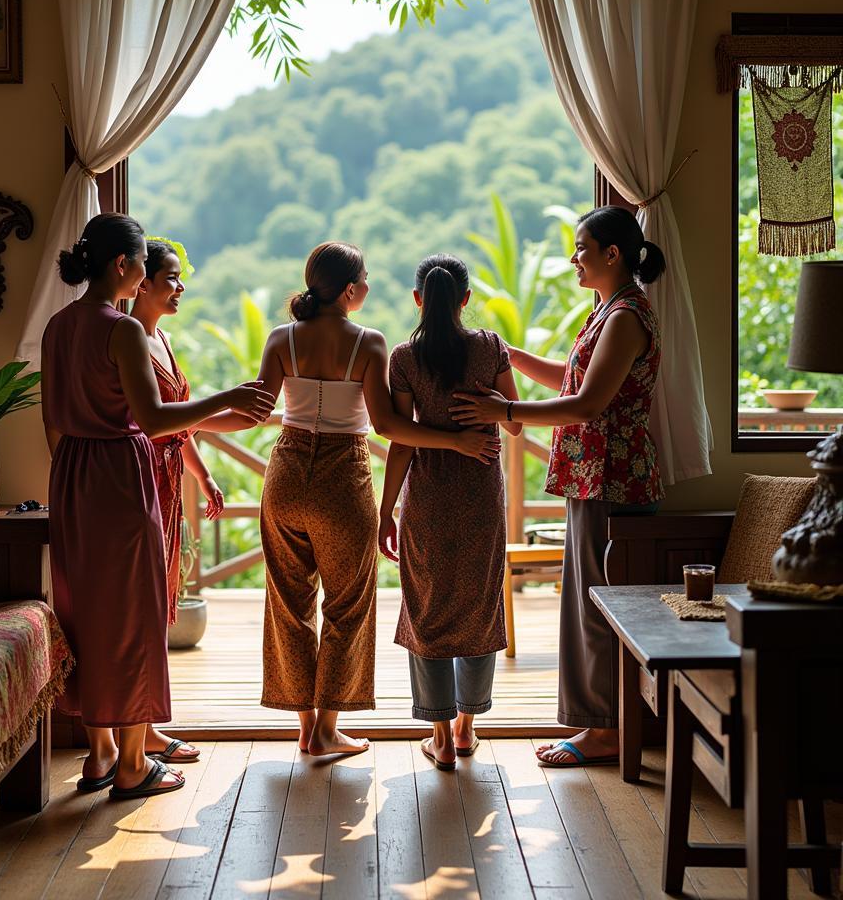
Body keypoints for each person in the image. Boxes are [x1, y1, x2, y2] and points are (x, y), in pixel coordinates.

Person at [41, 213, 274, 798]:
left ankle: (99, 755)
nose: (147, 275)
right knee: (136, 616)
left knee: (87, 612)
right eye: (144, 263)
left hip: (70, 473)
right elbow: (152, 419)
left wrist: (77, 461)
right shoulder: (121, 330)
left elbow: (50, 420)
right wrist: (228, 397)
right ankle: (133, 765)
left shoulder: (57, 325)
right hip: (120, 472)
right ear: (123, 267)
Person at [254, 241, 502, 758]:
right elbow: (391, 427)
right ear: (349, 291)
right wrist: (458, 438)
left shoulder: (282, 339)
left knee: (288, 602)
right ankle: (327, 728)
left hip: (285, 474)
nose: (368, 286)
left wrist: (186, 421)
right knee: (347, 606)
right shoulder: (369, 343)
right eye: (364, 279)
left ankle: (304, 729)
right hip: (342, 478)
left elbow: (256, 409)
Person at [449, 206, 666, 768]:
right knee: (589, 597)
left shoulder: (625, 317)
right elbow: (572, 379)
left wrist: (508, 408)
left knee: (598, 604)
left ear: (611, 254)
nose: (574, 258)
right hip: (595, 475)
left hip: (613, 476)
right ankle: (601, 724)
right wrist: (509, 356)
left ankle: (606, 732)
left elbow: (588, 404)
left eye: (581, 248)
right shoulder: (608, 311)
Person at [379, 254, 522, 771]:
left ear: (418, 299)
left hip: (428, 498)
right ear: (465, 300)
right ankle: (466, 729)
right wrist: (486, 405)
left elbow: (398, 440)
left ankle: (439, 735)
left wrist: (385, 509)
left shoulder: (404, 358)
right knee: (480, 604)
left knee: (428, 607)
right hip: (481, 496)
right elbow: (516, 424)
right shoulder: (488, 347)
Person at [130, 239, 260, 766]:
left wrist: (203, 477)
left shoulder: (161, 339)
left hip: (168, 481)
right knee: (142, 607)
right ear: (141, 282)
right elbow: (159, 420)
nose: (180, 287)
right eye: (171, 278)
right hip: (140, 480)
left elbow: (184, 422)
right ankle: (139, 731)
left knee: (160, 603)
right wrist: (228, 402)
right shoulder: (130, 340)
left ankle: (150, 725)